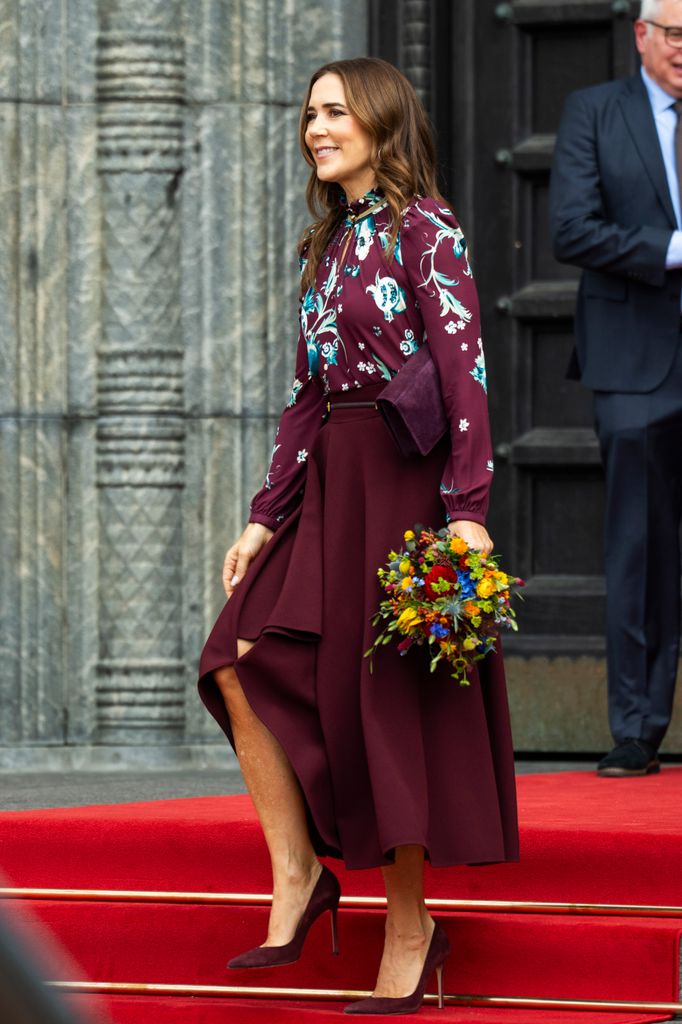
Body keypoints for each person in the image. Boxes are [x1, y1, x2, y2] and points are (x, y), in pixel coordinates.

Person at [199, 56, 518, 1015]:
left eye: (334, 112)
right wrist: (263, 517)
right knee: (234, 656)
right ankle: (298, 872)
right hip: (330, 485)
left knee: (386, 707)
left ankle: (411, 930)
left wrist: (468, 514)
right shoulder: (328, 244)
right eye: (309, 115)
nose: (316, 128)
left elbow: (466, 376)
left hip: (403, 486)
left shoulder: (428, 229)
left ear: (380, 119)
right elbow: (305, 395)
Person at [550, 0, 682, 778]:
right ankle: (636, 729)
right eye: (674, 35)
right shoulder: (594, 112)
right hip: (635, 362)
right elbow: (571, 228)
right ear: (641, 35)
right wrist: (670, 248)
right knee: (639, 548)